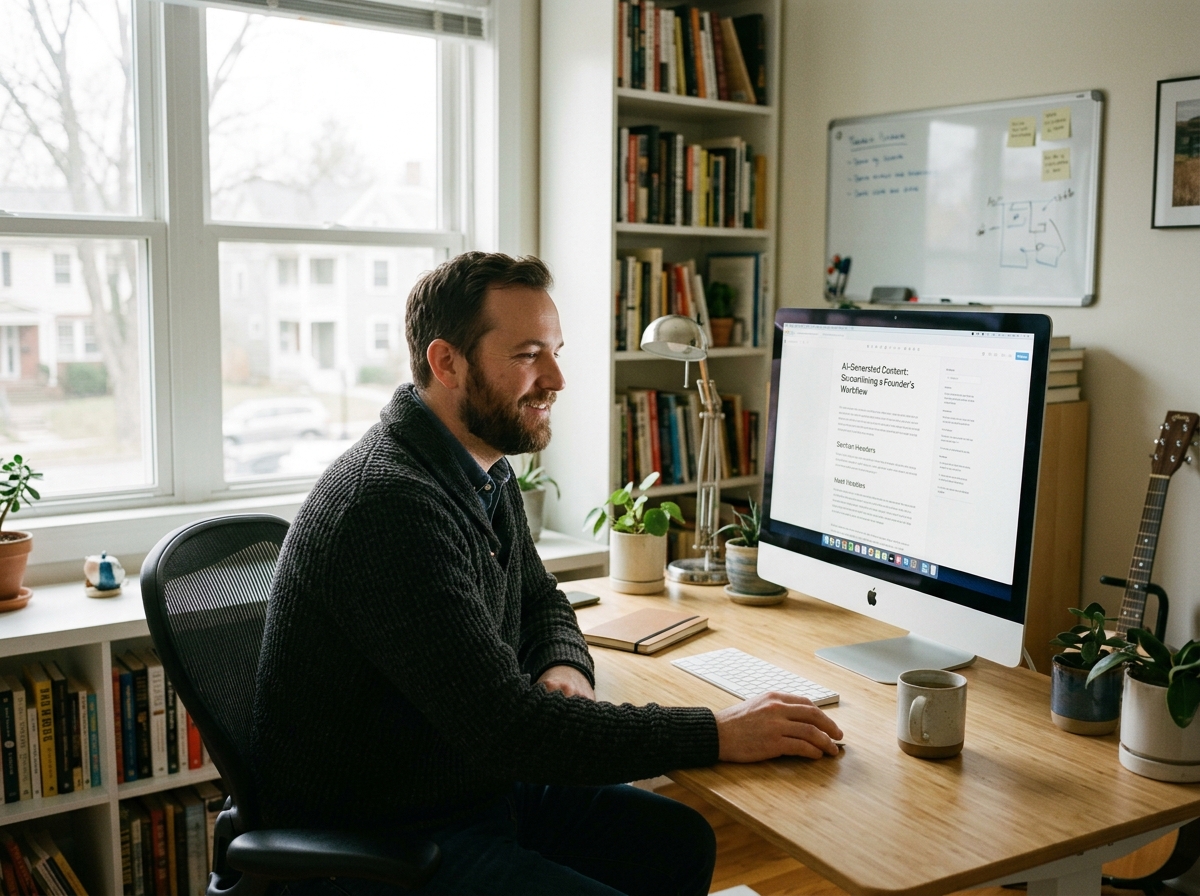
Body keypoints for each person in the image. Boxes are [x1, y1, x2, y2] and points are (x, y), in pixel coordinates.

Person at [251, 252, 843, 896]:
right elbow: (508, 729)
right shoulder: (390, 505)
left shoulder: (479, 466)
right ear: (446, 363)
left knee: (677, 842)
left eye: (556, 350)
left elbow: (540, 599)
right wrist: (718, 731)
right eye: (528, 354)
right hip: (383, 836)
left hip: (466, 786)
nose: (556, 378)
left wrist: (564, 667)